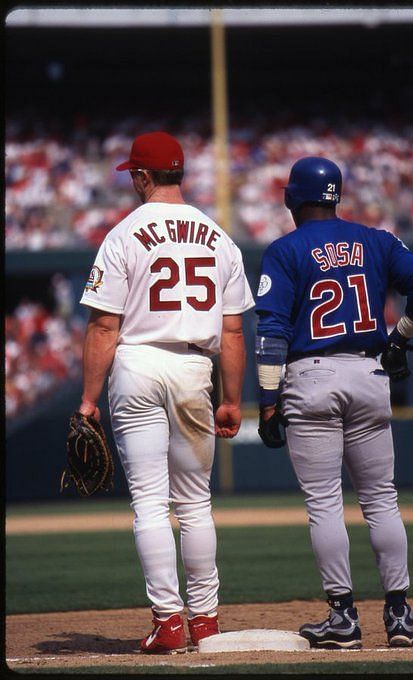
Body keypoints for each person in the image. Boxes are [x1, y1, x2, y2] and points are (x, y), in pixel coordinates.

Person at [78, 131, 254, 654]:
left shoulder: (123, 233)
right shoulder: (219, 236)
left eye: (133, 172)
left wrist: (88, 402)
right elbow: (234, 332)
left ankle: (168, 621)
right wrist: (230, 398)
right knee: (196, 503)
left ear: (142, 176)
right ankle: (205, 620)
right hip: (196, 369)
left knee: (150, 503)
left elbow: (105, 327)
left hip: (138, 364)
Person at [255, 156, 413, 649]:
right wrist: (399, 339)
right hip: (369, 373)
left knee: (325, 506)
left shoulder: (284, 249)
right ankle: (399, 614)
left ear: (293, 197)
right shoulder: (376, 240)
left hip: (311, 378)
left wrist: (268, 399)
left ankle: (343, 618)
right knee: (382, 499)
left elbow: (272, 331)